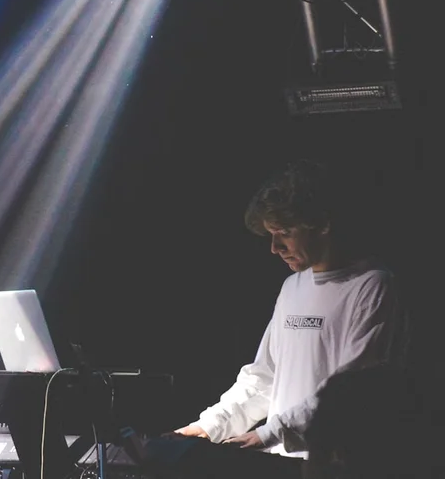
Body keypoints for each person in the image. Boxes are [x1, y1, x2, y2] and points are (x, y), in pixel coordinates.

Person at [171, 159, 408, 463]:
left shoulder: (373, 286)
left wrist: (270, 433)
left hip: (337, 467)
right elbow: (265, 377)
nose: (274, 247)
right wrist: (208, 426)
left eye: (283, 232)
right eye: (271, 234)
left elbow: (349, 396)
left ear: (322, 224)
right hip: (282, 464)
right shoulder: (291, 288)